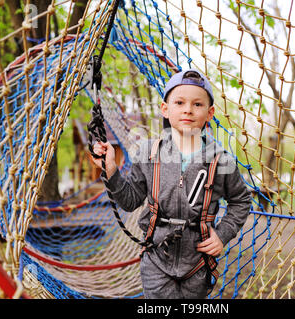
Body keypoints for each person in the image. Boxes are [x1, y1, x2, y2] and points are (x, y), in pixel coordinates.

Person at [91, 69, 251, 298]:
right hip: (157, 260)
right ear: (165, 109)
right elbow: (129, 201)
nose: (188, 109)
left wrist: (223, 234)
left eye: (197, 104)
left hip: (199, 263)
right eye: (179, 102)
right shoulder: (148, 153)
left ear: (209, 112)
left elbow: (241, 200)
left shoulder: (220, 159)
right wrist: (111, 170)